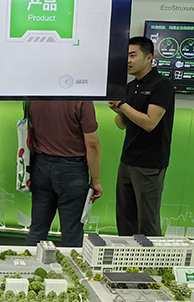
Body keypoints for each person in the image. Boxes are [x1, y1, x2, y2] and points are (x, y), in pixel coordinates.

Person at [108, 37, 174, 236]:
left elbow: (150, 123)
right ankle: (126, 256)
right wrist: (120, 111)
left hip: (149, 164)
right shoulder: (129, 87)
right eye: (126, 56)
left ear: (149, 58)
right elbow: (121, 125)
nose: (128, 61)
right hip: (127, 161)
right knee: (125, 218)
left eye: (133, 55)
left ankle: (151, 256)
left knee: (147, 221)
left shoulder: (161, 85)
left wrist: (122, 105)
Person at [24, 101, 102, 247]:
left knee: (37, 230)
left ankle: (28, 261)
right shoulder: (82, 98)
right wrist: (95, 181)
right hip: (72, 170)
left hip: (40, 165)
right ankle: (70, 262)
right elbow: (92, 143)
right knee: (72, 232)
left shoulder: (36, 93)